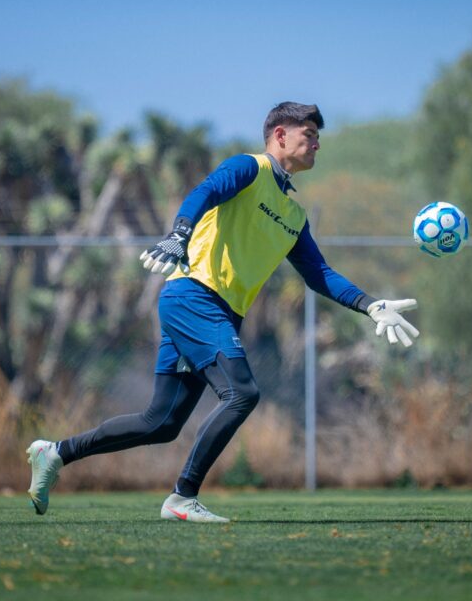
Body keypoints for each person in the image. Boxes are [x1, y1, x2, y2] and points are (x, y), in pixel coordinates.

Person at [26, 102, 419, 522]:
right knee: (242, 393)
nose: (317, 143)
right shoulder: (250, 168)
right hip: (194, 297)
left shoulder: (294, 215)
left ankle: (55, 453)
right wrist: (179, 235)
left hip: (216, 312)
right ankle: (182, 498)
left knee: (161, 422)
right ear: (280, 135)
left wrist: (370, 305)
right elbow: (204, 192)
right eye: (309, 134)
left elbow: (318, 273)